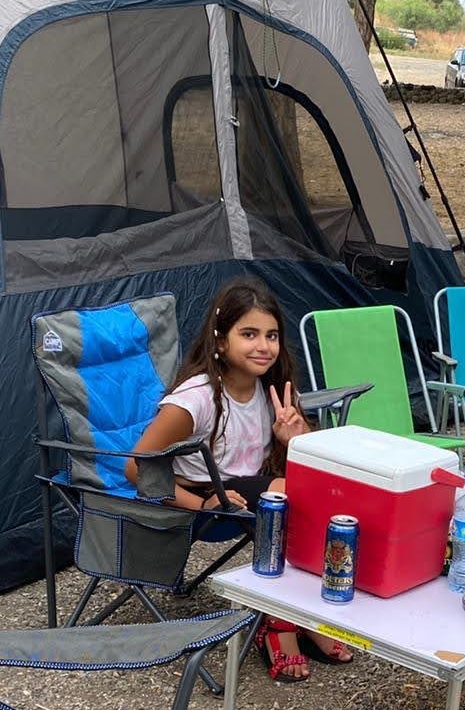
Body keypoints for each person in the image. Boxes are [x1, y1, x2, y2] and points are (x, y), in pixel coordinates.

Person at [125, 278, 354, 682]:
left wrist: (295, 440)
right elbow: (136, 467)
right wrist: (202, 504)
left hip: (251, 494)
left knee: (324, 491)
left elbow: (304, 468)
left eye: (271, 335)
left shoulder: (272, 391)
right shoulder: (195, 399)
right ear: (220, 340)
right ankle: (277, 624)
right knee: (288, 495)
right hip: (199, 502)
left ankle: (304, 612)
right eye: (249, 334)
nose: (263, 346)